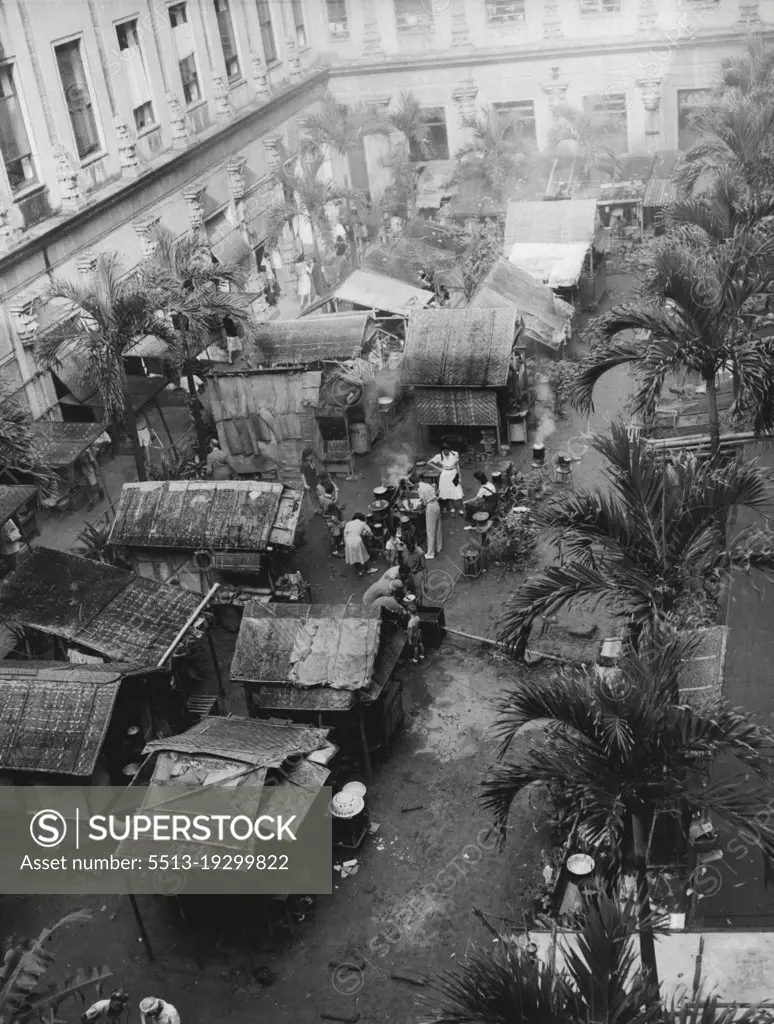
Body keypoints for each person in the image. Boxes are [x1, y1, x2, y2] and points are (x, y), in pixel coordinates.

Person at [428, 442, 464, 515]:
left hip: (454, 473)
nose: (446, 452)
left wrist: (460, 476)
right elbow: (429, 462)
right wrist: (439, 468)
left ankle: (460, 508)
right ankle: (452, 508)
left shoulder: (455, 454)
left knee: (458, 491)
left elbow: (457, 465)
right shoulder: (439, 456)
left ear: (449, 449)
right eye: (444, 451)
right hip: (445, 475)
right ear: (442, 450)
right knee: (447, 492)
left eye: (447, 450)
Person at [344, 513, 377, 577]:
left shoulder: (348, 523)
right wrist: (370, 535)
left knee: (353, 555)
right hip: (357, 540)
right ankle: (367, 569)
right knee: (363, 554)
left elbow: (345, 534)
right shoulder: (363, 523)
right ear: (362, 518)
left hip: (348, 540)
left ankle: (359, 570)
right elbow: (370, 533)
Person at [418, 473, 442, 560]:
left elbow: (423, 502)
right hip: (437, 504)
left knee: (430, 530)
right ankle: (439, 547)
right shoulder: (428, 485)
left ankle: (430, 553)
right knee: (438, 527)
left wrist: (421, 505)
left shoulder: (420, 489)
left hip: (430, 507)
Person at [402, 538, 427, 602]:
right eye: (408, 548)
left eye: (411, 547)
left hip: (417, 573)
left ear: (415, 544)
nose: (410, 549)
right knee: (408, 593)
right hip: (408, 572)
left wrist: (425, 582)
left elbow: (424, 567)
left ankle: (420, 605)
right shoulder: (405, 548)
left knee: (419, 593)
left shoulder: (420, 552)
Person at [404, 596, 425, 663]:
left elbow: (410, 632)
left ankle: (415, 659)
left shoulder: (410, 622)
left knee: (415, 647)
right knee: (421, 644)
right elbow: (416, 626)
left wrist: (409, 639)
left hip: (414, 635)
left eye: (407, 610)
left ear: (409, 612)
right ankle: (422, 655)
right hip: (418, 632)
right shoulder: (417, 617)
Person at [300, 448, 320, 516]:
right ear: (306, 457)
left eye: (312, 455)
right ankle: (316, 508)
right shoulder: (304, 465)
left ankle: (318, 506)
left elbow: (313, 470)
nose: (312, 456)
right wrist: (305, 484)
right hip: (310, 484)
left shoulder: (311, 461)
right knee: (313, 496)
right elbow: (302, 475)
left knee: (317, 495)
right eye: (310, 455)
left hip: (315, 481)